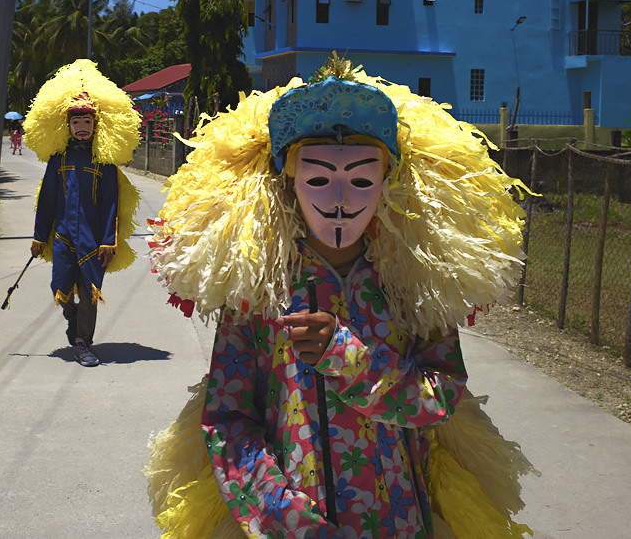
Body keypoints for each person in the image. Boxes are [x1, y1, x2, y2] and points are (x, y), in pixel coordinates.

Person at [145, 56, 535, 538]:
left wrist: (351, 360)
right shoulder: (260, 286)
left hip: (398, 523)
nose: (339, 199)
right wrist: (287, 519)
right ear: (290, 181)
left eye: (360, 180)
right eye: (318, 178)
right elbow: (228, 421)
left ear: (385, 182)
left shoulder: (409, 282)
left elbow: (443, 395)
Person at [22, 59, 140, 367]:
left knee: (90, 292)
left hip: (94, 240)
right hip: (62, 236)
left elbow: (111, 204)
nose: (82, 128)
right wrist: (38, 236)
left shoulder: (105, 163)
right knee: (60, 288)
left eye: (87, 122)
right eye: (76, 122)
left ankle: (82, 342)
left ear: (95, 125)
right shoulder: (57, 161)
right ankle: (73, 324)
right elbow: (46, 200)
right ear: (68, 126)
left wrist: (109, 240)